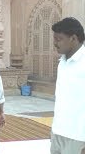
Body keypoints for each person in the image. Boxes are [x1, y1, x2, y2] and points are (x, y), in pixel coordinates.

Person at [50, 17, 85, 154]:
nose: (55, 43)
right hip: (58, 133)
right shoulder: (62, 63)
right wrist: (54, 129)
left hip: (78, 137)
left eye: (58, 39)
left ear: (73, 38)